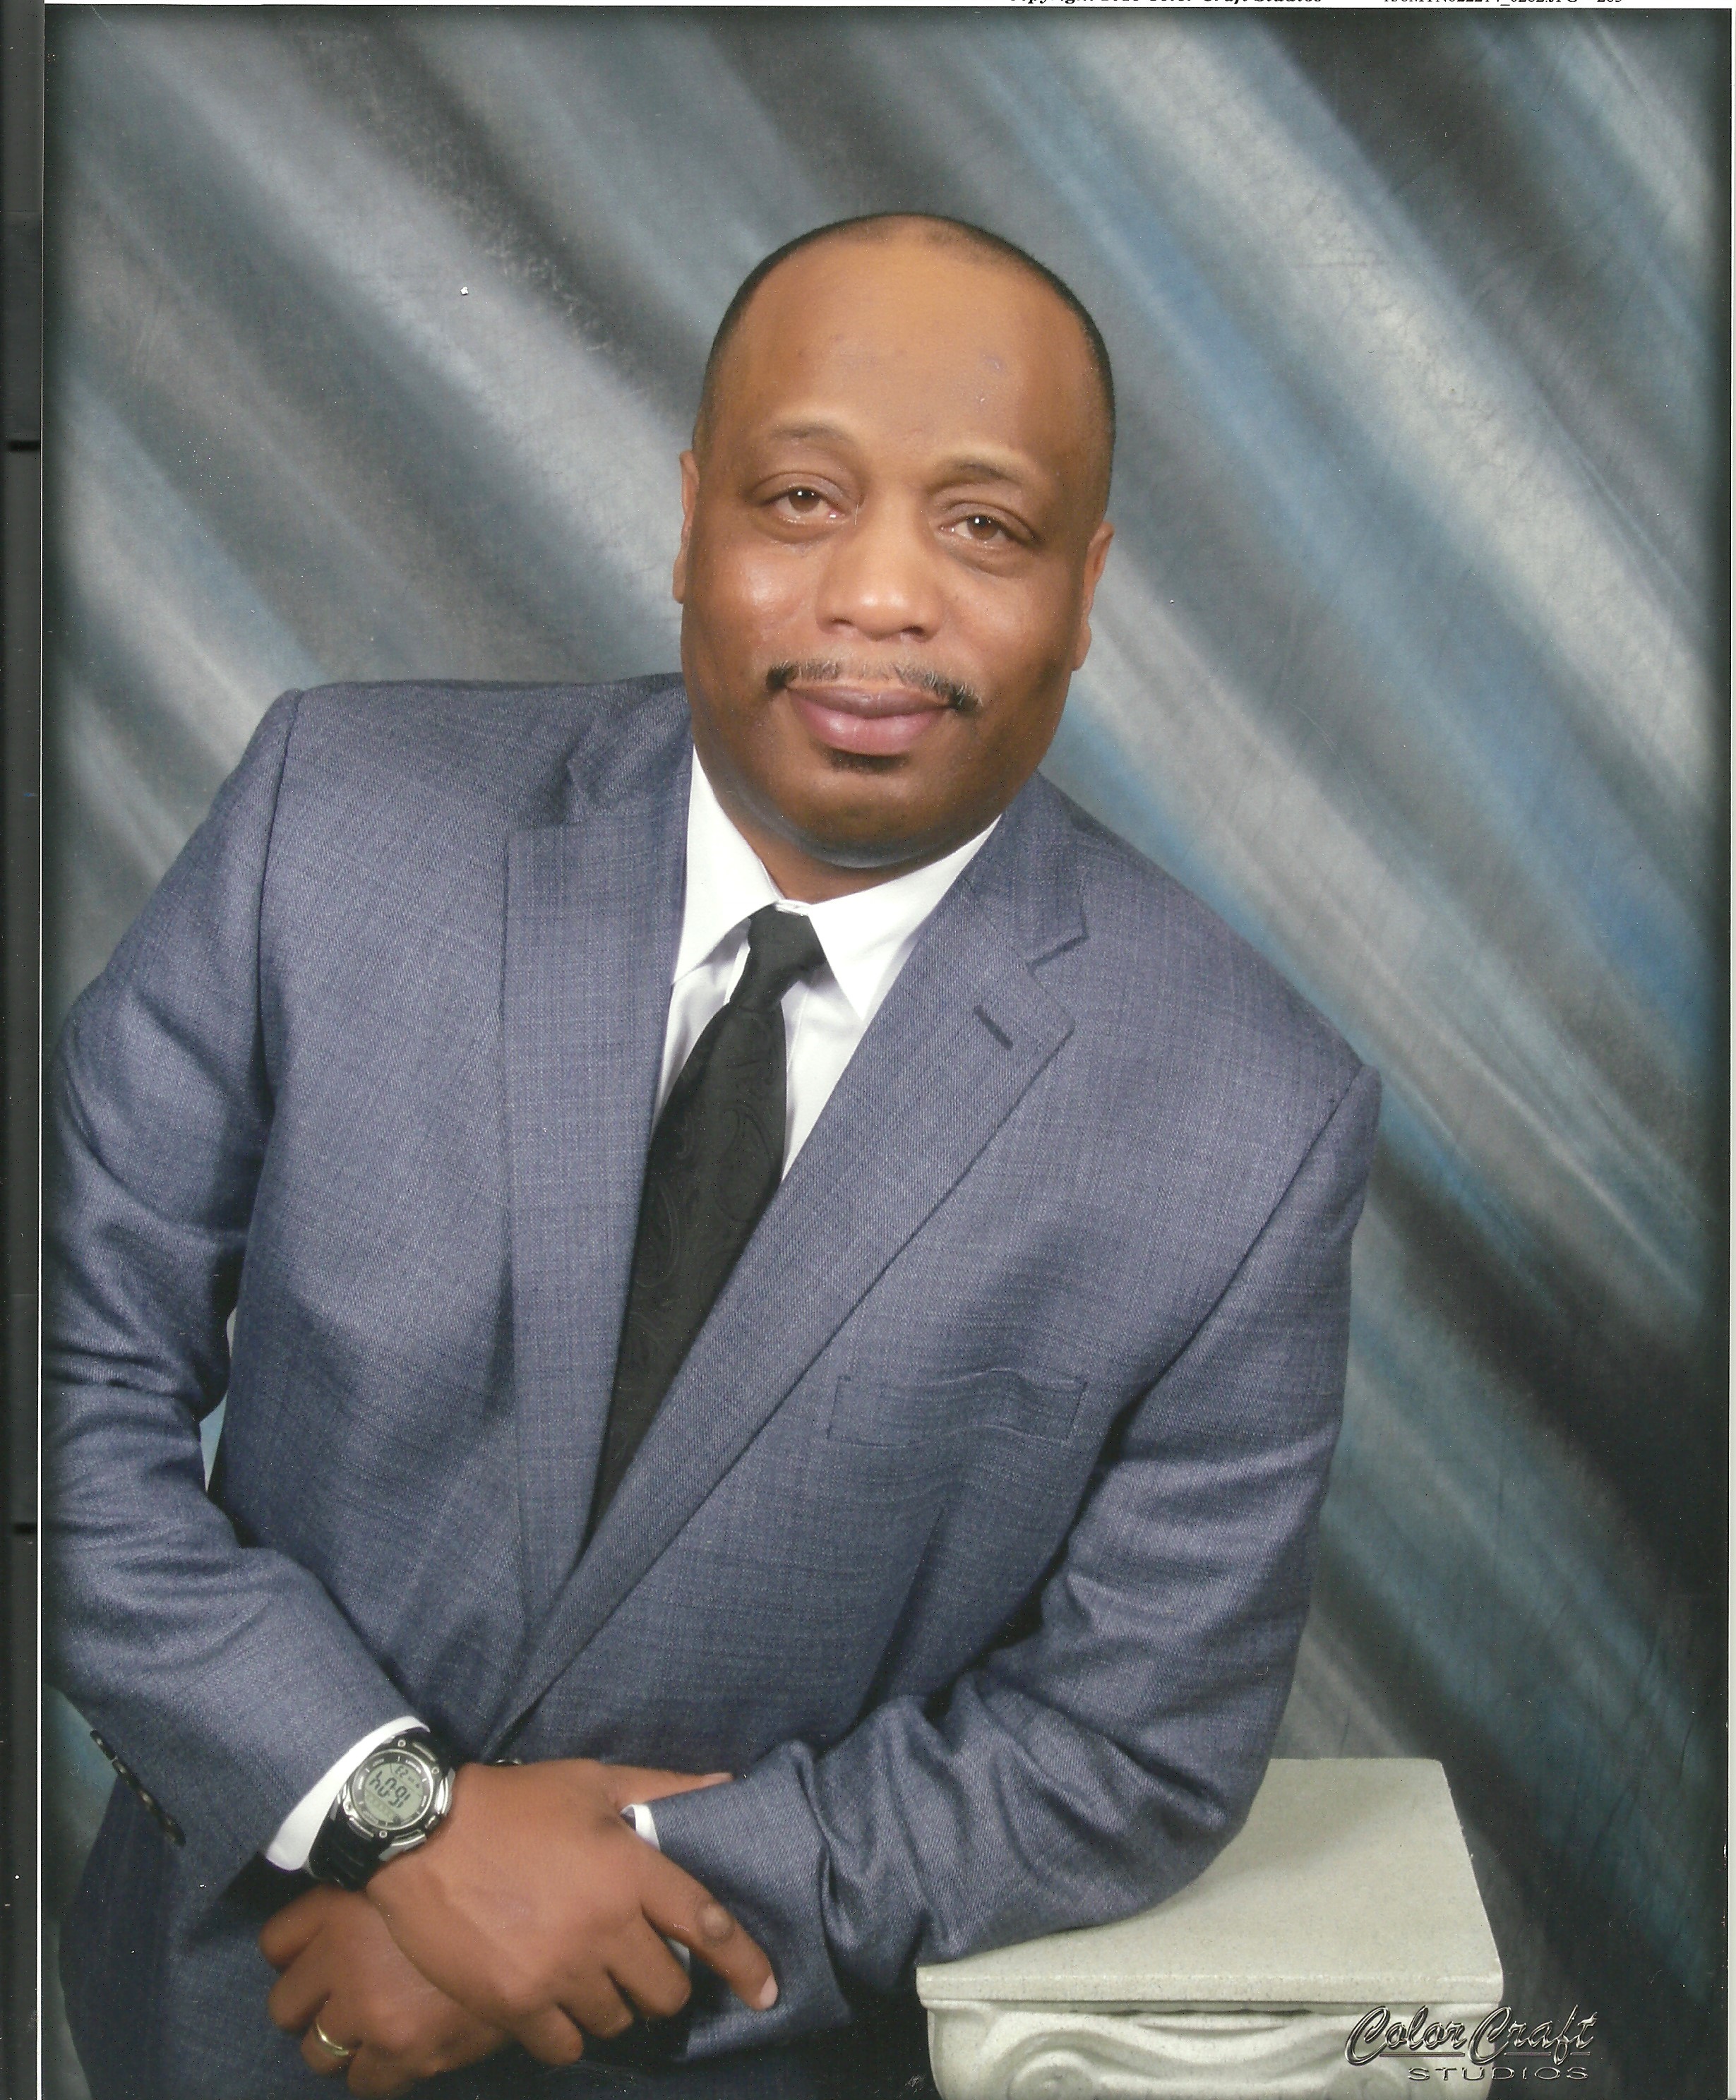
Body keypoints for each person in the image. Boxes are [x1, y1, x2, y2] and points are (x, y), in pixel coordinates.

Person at [44, 214, 1381, 2100]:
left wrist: (595, 1909)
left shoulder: (1249, 1118)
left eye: (983, 525)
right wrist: (387, 1815)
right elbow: (60, 1385)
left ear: (1086, 587)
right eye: (801, 499)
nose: (882, 594)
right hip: (239, 2011)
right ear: (689, 522)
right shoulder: (325, 826)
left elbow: (1125, 1746)